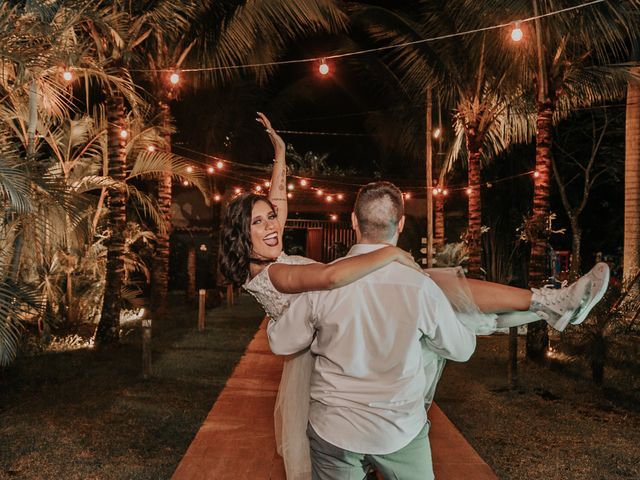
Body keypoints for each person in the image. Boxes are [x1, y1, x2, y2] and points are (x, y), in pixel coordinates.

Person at [218, 114, 610, 479]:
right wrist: (391, 253)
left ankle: (548, 305)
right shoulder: (280, 271)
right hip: (316, 323)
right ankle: (546, 304)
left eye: (271, 216)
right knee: (437, 289)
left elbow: (280, 202)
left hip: (323, 344)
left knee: (443, 292)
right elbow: (332, 274)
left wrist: (281, 155)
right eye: (261, 221)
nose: (273, 224)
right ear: (400, 225)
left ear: (353, 222)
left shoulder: (269, 253)